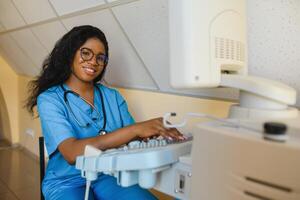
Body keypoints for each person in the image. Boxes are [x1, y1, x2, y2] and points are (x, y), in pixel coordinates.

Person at [26, 25, 183, 200]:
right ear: (69, 53)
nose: (93, 62)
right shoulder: (50, 99)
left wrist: (157, 132)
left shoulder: (112, 97)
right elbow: (71, 153)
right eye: (86, 53)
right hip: (66, 182)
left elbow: (131, 138)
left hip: (109, 175)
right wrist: (136, 129)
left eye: (100, 57)